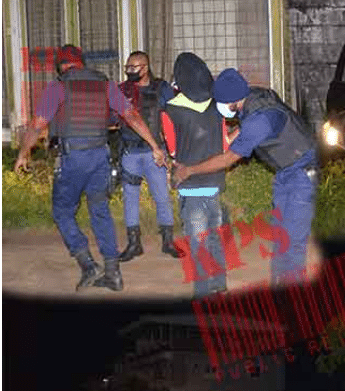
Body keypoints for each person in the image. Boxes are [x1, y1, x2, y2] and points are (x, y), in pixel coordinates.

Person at [13, 45, 166, 291]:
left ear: (61, 65)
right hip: (100, 156)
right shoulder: (105, 85)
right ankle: (113, 273)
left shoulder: (59, 86)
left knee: (62, 211)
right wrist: (155, 146)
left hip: (73, 157)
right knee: (100, 211)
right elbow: (132, 116)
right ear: (82, 63)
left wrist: (23, 154)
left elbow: (37, 124)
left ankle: (88, 265)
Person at [173, 68, 318, 286]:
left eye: (220, 102)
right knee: (281, 234)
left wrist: (189, 170)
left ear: (231, 101)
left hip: (303, 176)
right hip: (288, 172)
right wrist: (226, 139)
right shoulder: (256, 97)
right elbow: (242, 132)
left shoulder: (259, 121)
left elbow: (228, 159)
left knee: (293, 240)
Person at [161, 52, 228, 298]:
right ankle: (219, 283)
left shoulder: (171, 108)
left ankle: (202, 292)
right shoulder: (217, 106)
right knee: (214, 237)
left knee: (197, 242)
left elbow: (173, 148)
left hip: (190, 186)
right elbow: (224, 144)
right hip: (215, 183)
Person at [114, 51, 179, 263]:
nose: (130, 71)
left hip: (155, 153)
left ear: (146, 67)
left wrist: (174, 151)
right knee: (130, 200)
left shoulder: (162, 89)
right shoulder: (122, 90)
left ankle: (168, 241)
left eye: (134, 67)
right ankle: (134, 244)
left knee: (162, 197)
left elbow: (176, 117)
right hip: (130, 152)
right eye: (128, 67)